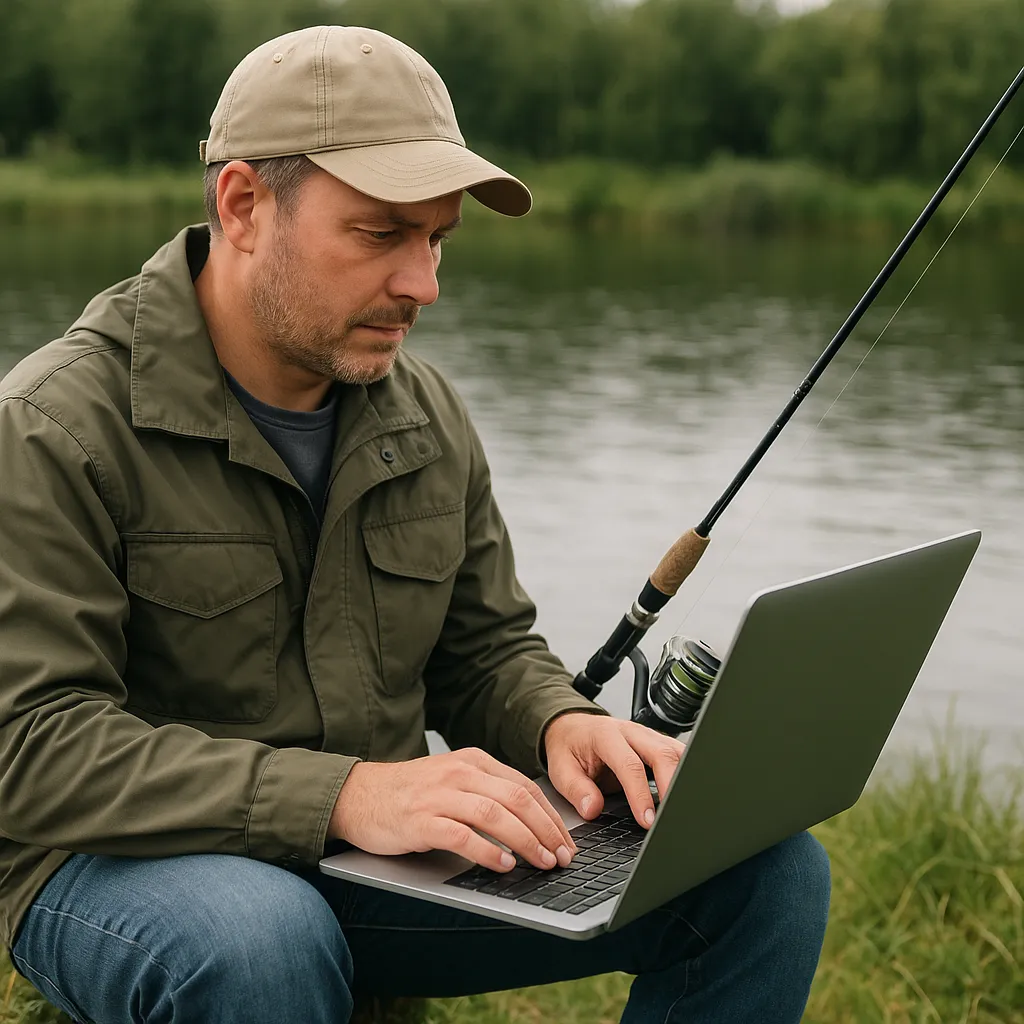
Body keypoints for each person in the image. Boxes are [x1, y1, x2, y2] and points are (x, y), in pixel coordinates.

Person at [0, 25, 830, 1024]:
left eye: (437, 238)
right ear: (244, 206)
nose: (423, 285)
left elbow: (482, 651)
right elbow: (29, 748)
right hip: (114, 866)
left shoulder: (424, 410)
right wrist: (345, 795)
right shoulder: (52, 423)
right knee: (259, 938)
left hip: (362, 860)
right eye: (381, 233)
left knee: (765, 869)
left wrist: (557, 721)